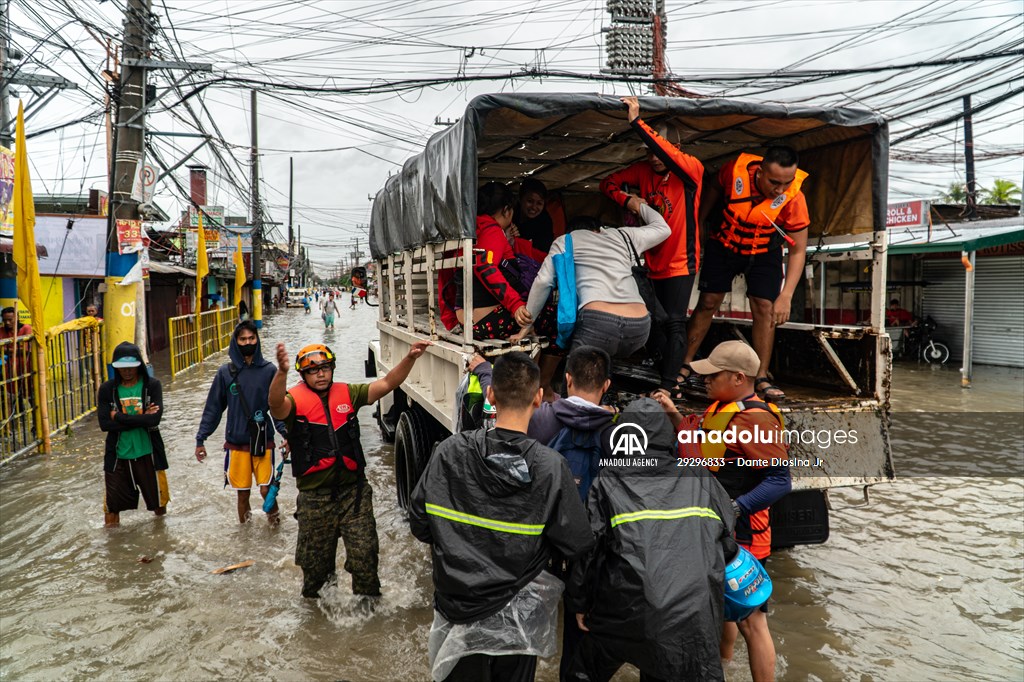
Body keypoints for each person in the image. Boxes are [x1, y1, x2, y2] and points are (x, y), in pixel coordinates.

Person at [408, 352, 593, 682]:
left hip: (456, 609)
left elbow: (420, 523)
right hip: (520, 618)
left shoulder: (450, 452)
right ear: (538, 397)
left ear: (491, 395)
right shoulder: (550, 467)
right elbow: (576, 542)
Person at [566, 397, 738, 682]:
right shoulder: (698, 476)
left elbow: (588, 552)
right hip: (693, 617)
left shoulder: (607, 480)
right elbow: (728, 539)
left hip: (624, 611)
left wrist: (580, 604)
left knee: (582, 671)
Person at [661, 340, 792, 682]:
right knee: (726, 611)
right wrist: (674, 416)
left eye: (712, 375)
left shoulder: (755, 417)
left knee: (753, 620)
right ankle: (725, 665)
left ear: (737, 378)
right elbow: (704, 452)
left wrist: (736, 507)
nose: (703, 380)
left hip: (745, 534)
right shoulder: (723, 408)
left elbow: (780, 481)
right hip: (718, 530)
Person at [268, 338, 431, 599]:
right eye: (313, 370)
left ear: (332, 369)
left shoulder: (348, 393)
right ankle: (320, 626)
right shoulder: (293, 402)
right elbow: (275, 405)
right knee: (316, 576)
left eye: (325, 368)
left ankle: (368, 620)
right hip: (314, 500)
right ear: (303, 374)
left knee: (365, 558)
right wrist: (281, 372)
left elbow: (387, 383)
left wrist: (410, 357)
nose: (320, 374)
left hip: (353, 495)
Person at [681, 145, 811, 403]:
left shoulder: (794, 198)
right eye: (774, 182)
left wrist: (786, 295)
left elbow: (798, 251)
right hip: (724, 244)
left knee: (765, 307)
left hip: (764, 251)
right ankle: (684, 364)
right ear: (760, 172)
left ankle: (761, 376)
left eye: (786, 183)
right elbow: (714, 189)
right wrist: (698, 224)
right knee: (708, 302)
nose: (779, 190)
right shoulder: (734, 171)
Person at [600, 96, 705, 398]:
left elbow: (665, 150)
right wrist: (629, 199)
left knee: (674, 322)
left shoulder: (691, 172)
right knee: (652, 323)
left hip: (681, 262)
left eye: (660, 152)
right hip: (651, 264)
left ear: (676, 151)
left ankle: (669, 386)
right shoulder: (642, 172)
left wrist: (636, 121)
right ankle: (665, 373)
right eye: (649, 152)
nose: (655, 158)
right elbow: (607, 184)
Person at [514, 202, 670, 359]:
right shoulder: (623, 235)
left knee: (577, 379)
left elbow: (543, 282)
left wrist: (526, 326)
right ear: (599, 229)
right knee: (603, 371)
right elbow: (664, 229)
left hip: (598, 325)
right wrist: (636, 204)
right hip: (639, 327)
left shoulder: (565, 240)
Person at [195, 321, 284, 525]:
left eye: (252, 338)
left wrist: (286, 434)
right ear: (236, 342)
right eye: (243, 339)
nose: (248, 342)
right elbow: (214, 408)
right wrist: (201, 438)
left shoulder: (269, 370)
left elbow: (278, 407)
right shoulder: (225, 373)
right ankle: (245, 535)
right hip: (237, 442)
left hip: (263, 440)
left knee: (265, 490)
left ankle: (276, 526)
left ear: (257, 340)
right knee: (242, 494)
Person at [438, 181, 549, 339]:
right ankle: (540, 364)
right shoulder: (492, 230)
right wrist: (515, 304)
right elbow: (485, 266)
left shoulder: (468, 233)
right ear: (506, 210)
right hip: (488, 321)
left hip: (466, 321)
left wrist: (449, 319)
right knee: (550, 315)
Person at [96, 342, 169, 528]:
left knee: (159, 505)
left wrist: (119, 417)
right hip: (118, 455)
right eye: (122, 368)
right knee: (111, 508)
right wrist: (141, 417)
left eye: (131, 367)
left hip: (149, 453)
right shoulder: (107, 390)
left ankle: (160, 540)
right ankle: (114, 548)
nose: (127, 371)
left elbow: (154, 420)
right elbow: (105, 425)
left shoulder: (152, 386)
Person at [514, 178, 555, 253]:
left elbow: (543, 252)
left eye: (539, 203)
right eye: (530, 201)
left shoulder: (545, 222)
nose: (534, 207)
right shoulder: (509, 214)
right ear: (520, 199)